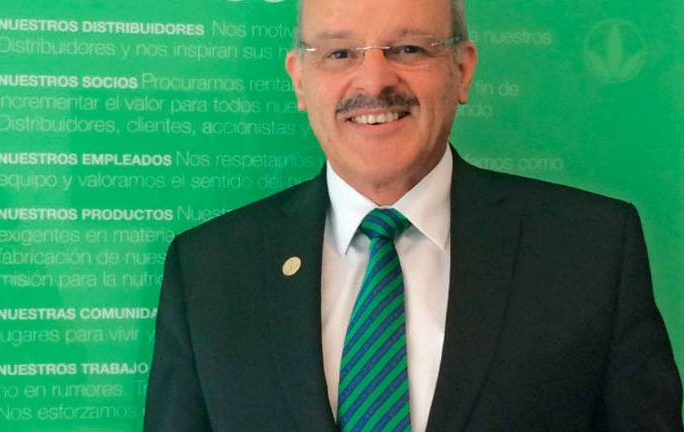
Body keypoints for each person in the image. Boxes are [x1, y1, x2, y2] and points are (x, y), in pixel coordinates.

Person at [144, 0, 683, 430]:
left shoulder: (590, 249)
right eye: (339, 53)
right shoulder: (209, 270)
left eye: (408, 49)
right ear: (299, 79)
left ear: (462, 70)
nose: (374, 81)